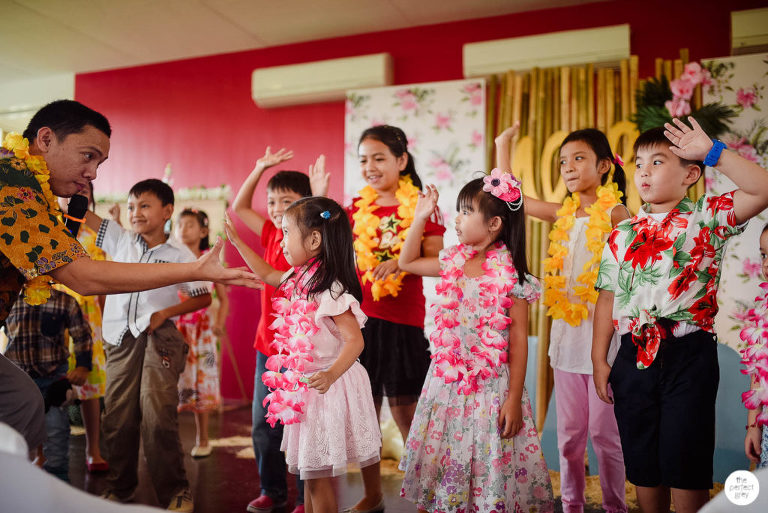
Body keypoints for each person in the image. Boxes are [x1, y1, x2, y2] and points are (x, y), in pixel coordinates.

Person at [593, 118, 768, 513]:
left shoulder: (708, 216)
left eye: (657, 162)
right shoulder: (621, 232)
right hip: (632, 354)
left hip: (689, 356)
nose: (644, 172)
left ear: (690, 174)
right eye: (639, 164)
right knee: (643, 464)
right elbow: (607, 297)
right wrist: (599, 359)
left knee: (686, 462)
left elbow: (763, 188)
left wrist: (713, 153)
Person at [397, 177, 554, 512]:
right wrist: (420, 217)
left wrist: (513, 399)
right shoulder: (452, 261)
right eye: (459, 211)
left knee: (487, 469)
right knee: (442, 467)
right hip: (447, 385)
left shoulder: (512, 278)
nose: (458, 219)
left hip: (492, 391)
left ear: (494, 223)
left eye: (466, 212)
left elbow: (518, 344)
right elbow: (407, 262)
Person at [496, 123, 628, 513]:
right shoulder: (563, 215)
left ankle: (615, 506)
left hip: (607, 345)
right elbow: (509, 198)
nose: (568, 167)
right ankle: (571, 504)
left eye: (578, 158)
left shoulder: (619, 215)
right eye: (563, 161)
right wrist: (503, 145)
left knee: (605, 436)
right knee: (570, 437)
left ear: (604, 166)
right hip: (567, 341)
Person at [224, 196, 381, 513]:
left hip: (326, 388)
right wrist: (238, 243)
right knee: (310, 478)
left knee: (317, 479)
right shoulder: (300, 279)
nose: (281, 242)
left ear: (313, 240)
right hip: (307, 389)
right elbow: (269, 275)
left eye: (286, 233)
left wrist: (330, 374)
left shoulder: (329, 290)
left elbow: (355, 341)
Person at [81, 178, 215, 512]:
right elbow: (83, 214)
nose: (135, 213)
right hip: (118, 339)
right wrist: (75, 190)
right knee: (118, 416)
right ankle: (120, 487)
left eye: (144, 206)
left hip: (159, 337)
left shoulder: (180, 254)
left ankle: (176, 491)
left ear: (167, 211)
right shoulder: (120, 238)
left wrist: (165, 312)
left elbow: (203, 297)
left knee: (157, 414)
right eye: (131, 206)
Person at [342, 125, 445, 513]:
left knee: (407, 414)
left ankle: (426, 497)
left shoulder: (422, 205)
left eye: (379, 158)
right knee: (364, 413)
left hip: (403, 323)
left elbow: (437, 260)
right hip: (361, 322)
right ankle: (372, 495)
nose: (370, 166)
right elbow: (333, 245)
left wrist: (401, 264)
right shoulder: (356, 207)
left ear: (401, 160)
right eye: (363, 159)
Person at [232, 146, 328, 513]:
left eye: (285, 201)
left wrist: (319, 197)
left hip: (302, 349)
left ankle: (305, 498)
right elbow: (241, 207)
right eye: (271, 201)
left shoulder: (314, 238)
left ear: (305, 204)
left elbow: (327, 219)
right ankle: (272, 491)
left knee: (301, 425)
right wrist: (258, 168)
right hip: (268, 347)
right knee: (263, 425)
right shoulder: (274, 232)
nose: (275, 208)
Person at [3, 287, 92, 481]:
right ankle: (16, 483)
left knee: (57, 434)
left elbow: (82, 335)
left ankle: (57, 482)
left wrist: (83, 366)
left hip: (53, 380)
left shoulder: (65, 301)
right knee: (15, 439)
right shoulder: (8, 299)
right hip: (17, 383)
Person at [53, 181, 109, 473]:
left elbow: (103, 287)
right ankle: (49, 450)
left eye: (85, 192)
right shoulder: (50, 229)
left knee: (92, 386)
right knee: (54, 380)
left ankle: (93, 450)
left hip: (89, 319)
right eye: (73, 191)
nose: (78, 196)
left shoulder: (97, 238)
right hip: (55, 317)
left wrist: (103, 325)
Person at [175, 208, 229, 458]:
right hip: (176, 330)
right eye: (180, 225)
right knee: (172, 381)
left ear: (203, 231)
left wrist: (219, 323)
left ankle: (203, 438)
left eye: (190, 225)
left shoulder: (211, 261)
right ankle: (170, 440)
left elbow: (223, 300)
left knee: (202, 381)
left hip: (204, 332)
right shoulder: (172, 260)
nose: (184, 229)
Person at [743, 222, 768, 469]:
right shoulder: (764, 309)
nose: (766, 264)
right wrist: (753, 426)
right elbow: (758, 371)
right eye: (764, 255)